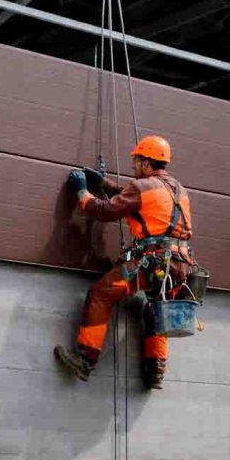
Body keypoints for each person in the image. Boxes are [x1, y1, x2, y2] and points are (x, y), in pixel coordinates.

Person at [53, 135, 196, 390]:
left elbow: (105, 210)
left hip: (152, 262)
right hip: (179, 266)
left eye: (136, 161)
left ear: (146, 162)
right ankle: (155, 372)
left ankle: (85, 359)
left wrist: (82, 191)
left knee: (101, 293)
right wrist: (104, 183)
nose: (133, 166)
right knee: (157, 309)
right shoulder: (177, 189)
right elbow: (136, 200)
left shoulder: (142, 187)